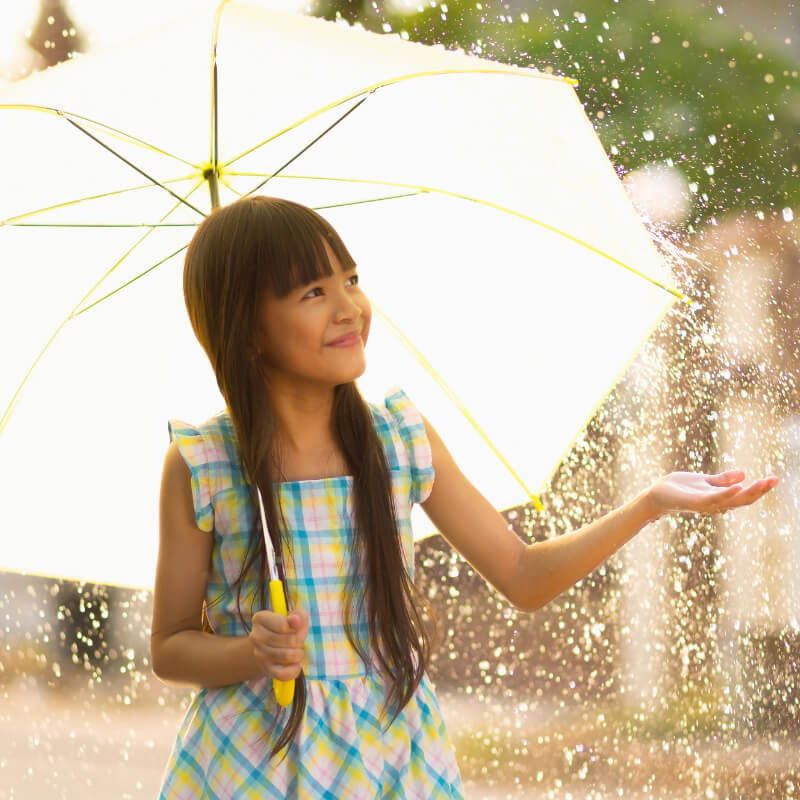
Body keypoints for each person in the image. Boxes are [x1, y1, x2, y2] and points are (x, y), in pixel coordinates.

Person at [150, 195, 778, 799]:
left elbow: (524, 575)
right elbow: (170, 647)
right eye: (313, 292)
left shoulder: (397, 441)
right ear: (247, 328)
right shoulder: (204, 464)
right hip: (253, 758)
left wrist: (649, 504)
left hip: (388, 750)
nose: (349, 307)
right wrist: (250, 653)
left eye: (351, 279)